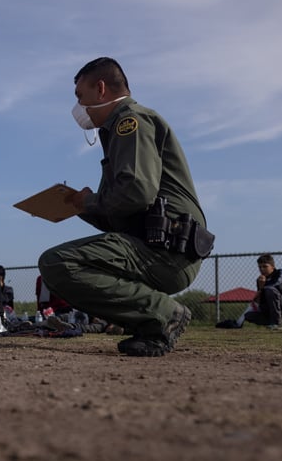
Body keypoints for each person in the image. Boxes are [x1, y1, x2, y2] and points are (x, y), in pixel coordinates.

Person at [38, 57, 213, 357]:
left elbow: (136, 193)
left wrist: (89, 201)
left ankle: (162, 315)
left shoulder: (130, 121)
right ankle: (152, 325)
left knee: (58, 263)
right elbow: (124, 213)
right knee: (59, 262)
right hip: (158, 246)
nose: (78, 107)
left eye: (80, 97)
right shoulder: (119, 130)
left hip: (166, 252)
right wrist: (81, 206)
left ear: (101, 89)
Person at [216, 254, 282, 330]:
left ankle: (277, 323)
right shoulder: (260, 280)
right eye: (260, 267)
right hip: (267, 309)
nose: (262, 269)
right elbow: (259, 301)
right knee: (248, 315)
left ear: (273, 267)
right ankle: (271, 322)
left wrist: (264, 286)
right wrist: (260, 288)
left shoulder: (280, 273)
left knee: (270, 290)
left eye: (265, 266)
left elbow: (277, 284)